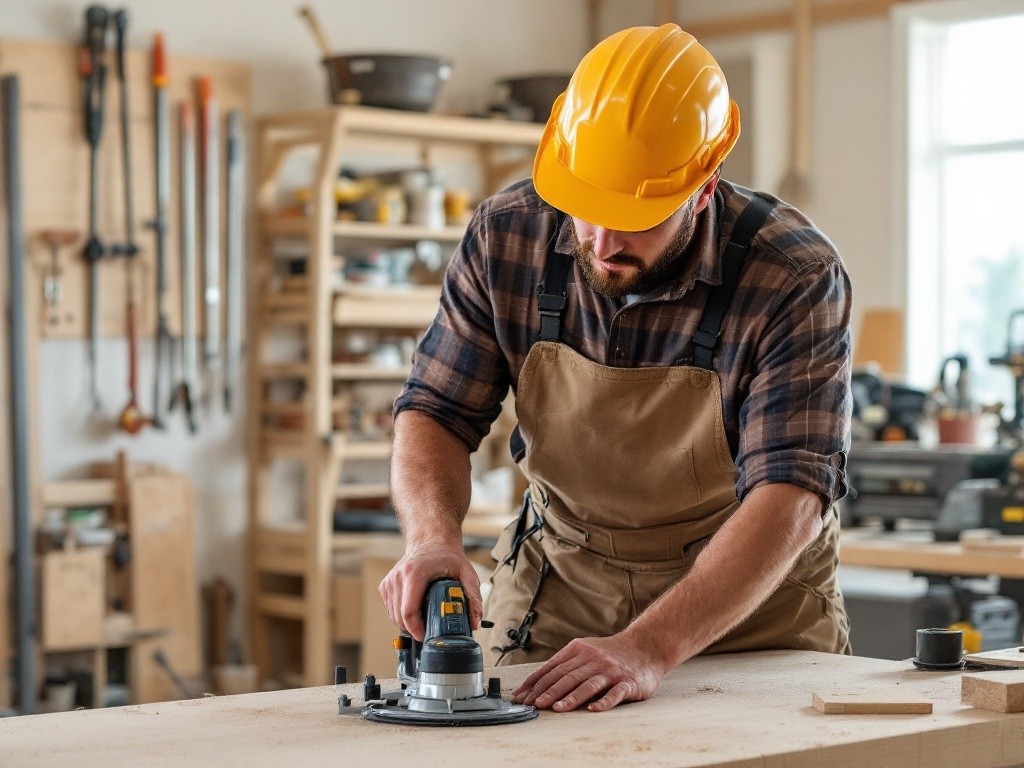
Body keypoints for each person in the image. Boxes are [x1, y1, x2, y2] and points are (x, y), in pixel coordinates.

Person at [379, 23, 852, 714]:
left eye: (634, 216)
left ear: (702, 187)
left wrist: (650, 646)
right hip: (564, 587)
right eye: (586, 209)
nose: (601, 243)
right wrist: (430, 539)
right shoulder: (508, 235)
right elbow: (435, 411)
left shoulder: (793, 275)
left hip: (749, 614)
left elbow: (792, 495)